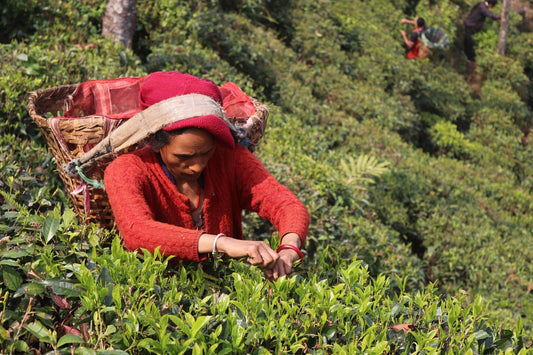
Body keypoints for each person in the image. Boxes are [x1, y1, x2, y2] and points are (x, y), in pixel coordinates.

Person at [103, 71, 310, 280]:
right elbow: (137, 232)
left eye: (206, 152)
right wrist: (221, 243)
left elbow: (286, 205)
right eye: (184, 156)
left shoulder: (230, 157)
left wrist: (289, 249)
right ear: (155, 142)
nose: (197, 166)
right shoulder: (127, 169)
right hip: (157, 295)